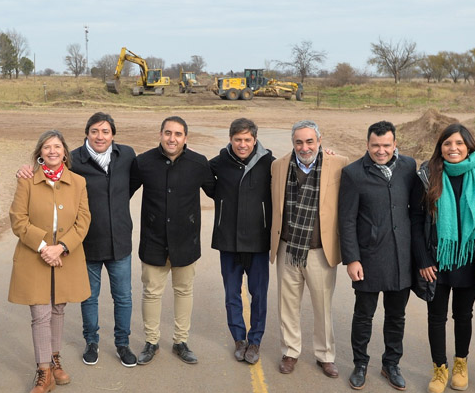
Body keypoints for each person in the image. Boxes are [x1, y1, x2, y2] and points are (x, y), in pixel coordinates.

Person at [412, 123, 475, 393]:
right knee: (436, 316)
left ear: (469, 146)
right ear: (440, 147)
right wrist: (423, 260)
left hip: (469, 258)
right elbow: (416, 219)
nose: (453, 148)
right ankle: (440, 368)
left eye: (459, 143)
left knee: (463, 314)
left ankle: (461, 363)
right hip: (437, 259)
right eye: (447, 143)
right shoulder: (427, 174)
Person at [9, 130, 91, 393]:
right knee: (40, 313)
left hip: (65, 256)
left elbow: (83, 221)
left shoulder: (78, 182)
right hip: (36, 257)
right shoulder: (28, 181)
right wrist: (45, 248)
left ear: (65, 152)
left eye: (57, 147)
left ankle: (55, 360)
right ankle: (43, 372)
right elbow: (18, 220)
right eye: (47, 147)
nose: (52, 151)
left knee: (58, 309)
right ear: (40, 153)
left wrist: (62, 247)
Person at [339, 121, 418, 391]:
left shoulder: (408, 166)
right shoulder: (352, 173)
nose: (381, 151)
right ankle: (360, 364)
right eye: (375, 145)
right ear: (367, 144)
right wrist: (352, 259)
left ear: (395, 144)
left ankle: (391, 364)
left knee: (397, 316)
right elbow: (346, 219)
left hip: (401, 257)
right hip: (369, 257)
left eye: (386, 145)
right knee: (364, 315)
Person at [130, 115, 215, 365]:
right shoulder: (143, 162)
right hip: (153, 241)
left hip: (186, 242)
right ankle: (151, 341)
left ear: (185, 138)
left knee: (184, 291)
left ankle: (180, 341)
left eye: (178, 134)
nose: (172, 138)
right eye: (168, 133)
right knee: (152, 293)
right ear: (160, 135)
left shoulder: (199, 163)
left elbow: (219, 190)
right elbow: (121, 190)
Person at [270, 120, 348, 377]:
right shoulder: (278, 166)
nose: (305, 147)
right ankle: (291, 351)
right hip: (287, 248)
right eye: (299, 142)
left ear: (319, 140)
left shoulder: (339, 164)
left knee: (322, 306)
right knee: (287, 305)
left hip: (320, 251)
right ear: (293, 143)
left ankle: (325, 355)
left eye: (310, 141)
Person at [68, 113, 138, 367]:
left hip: (120, 241)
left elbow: (133, 184)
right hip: (87, 243)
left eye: (106, 131)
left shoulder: (127, 155)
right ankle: (91, 342)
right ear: (87, 132)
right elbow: (49, 172)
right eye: (95, 131)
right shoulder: (73, 159)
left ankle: (122, 344)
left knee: (123, 297)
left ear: (113, 135)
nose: (100, 136)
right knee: (89, 296)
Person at [209, 118, 274, 365]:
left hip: (258, 241)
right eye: (238, 139)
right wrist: (225, 203)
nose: (243, 144)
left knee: (258, 295)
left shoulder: (270, 162)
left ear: (255, 140)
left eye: (247, 139)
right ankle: (239, 339)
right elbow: (205, 182)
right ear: (230, 139)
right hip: (228, 241)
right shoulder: (218, 163)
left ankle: (255, 341)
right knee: (232, 294)